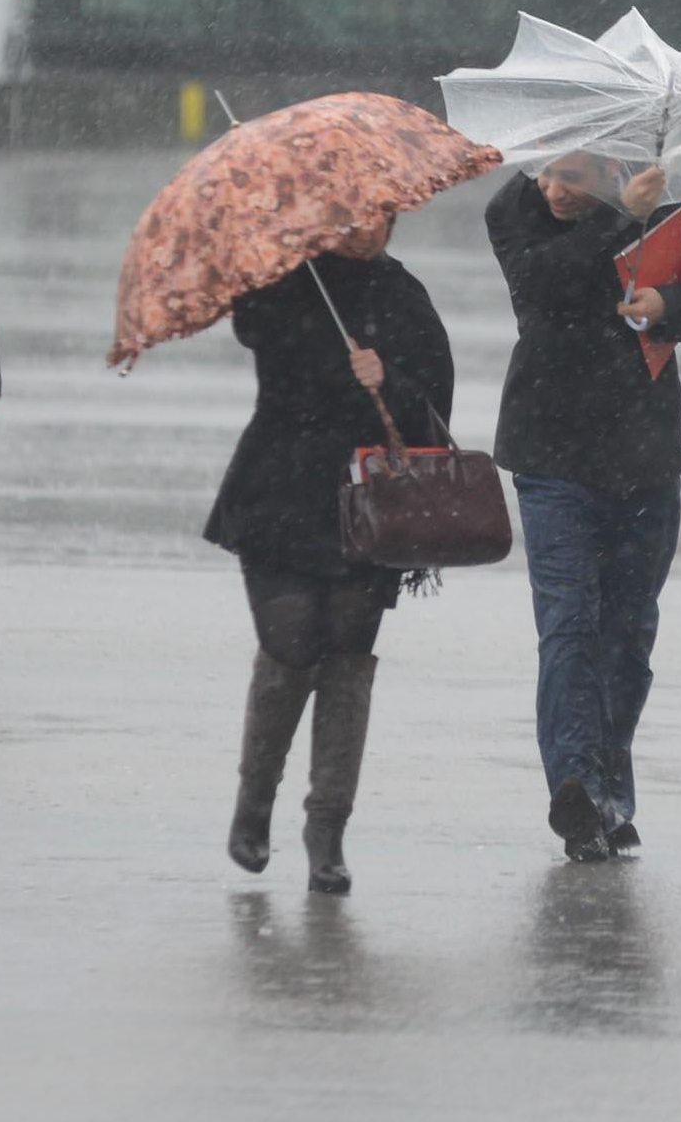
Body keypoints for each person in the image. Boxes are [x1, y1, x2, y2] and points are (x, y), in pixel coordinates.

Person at [486, 154, 681, 861]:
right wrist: (619, 214)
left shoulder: (669, 200)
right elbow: (544, 282)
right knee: (568, 622)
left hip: (645, 452)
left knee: (626, 636)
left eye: (570, 176)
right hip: (549, 452)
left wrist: (670, 308)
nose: (552, 189)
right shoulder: (513, 208)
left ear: (605, 161)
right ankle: (572, 785)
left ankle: (607, 793)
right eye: (546, 173)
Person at [209, 236, 454, 894]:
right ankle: (255, 800)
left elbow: (433, 409)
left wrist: (388, 381)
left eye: (378, 215)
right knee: (289, 639)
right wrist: (266, 267)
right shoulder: (283, 276)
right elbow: (253, 329)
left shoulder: (401, 294)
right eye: (349, 216)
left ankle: (327, 827)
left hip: (366, 501)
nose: (364, 227)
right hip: (277, 486)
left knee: (346, 652)